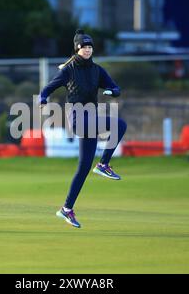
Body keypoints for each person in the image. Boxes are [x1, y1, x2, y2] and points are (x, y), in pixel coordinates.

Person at [39, 29, 127, 228]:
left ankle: (66, 209)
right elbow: (48, 88)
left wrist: (111, 91)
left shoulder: (97, 70)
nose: (87, 50)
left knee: (83, 168)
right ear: (77, 49)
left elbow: (116, 89)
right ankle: (104, 164)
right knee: (119, 125)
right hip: (78, 118)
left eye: (90, 47)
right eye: (84, 47)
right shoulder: (68, 70)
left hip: (92, 117)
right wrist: (43, 98)